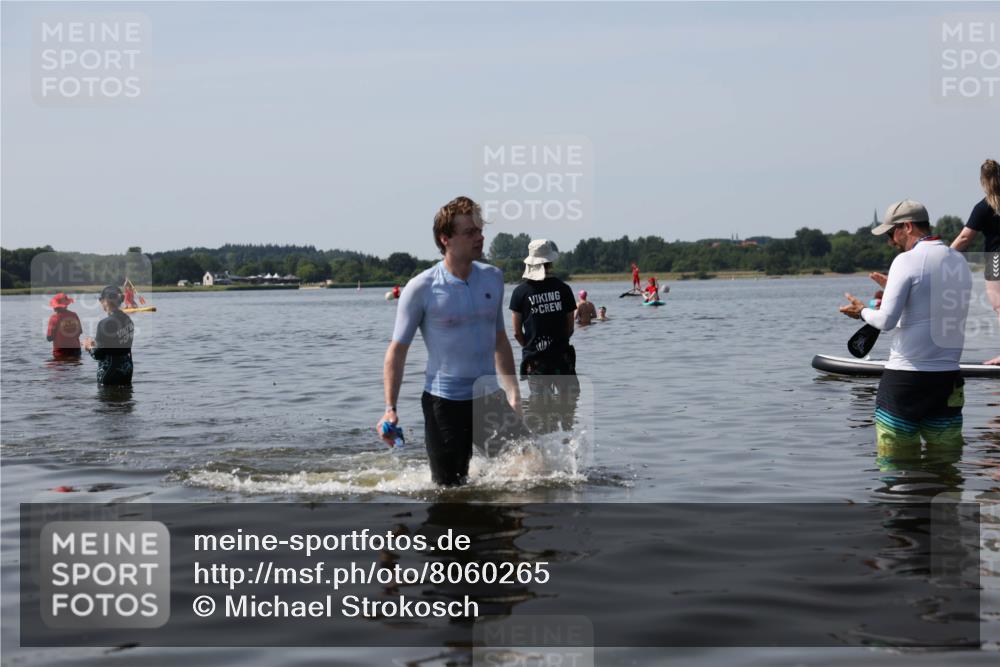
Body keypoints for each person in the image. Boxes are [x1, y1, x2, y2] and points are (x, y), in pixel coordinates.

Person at [377, 196, 524, 486]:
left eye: (480, 231)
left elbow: (499, 339)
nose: (479, 238)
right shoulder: (422, 287)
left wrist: (514, 394)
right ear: (446, 239)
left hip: (489, 398)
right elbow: (397, 351)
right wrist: (390, 407)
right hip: (444, 403)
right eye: (470, 232)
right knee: (450, 490)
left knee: (528, 470)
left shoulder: (493, 278)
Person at [839, 200, 972, 463]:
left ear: (907, 227)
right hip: (948, 381)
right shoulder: (960, 262)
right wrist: (895, 289)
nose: (891, 242)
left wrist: (862, 311)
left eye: (891, 233)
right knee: (946, 466)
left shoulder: (906, 261)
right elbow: (931, 311)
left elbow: (887, 321)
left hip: (906, 382)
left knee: (895, 467)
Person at [509, 239, 580, 435]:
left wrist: (531, 346)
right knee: (568, 412)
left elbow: (516, 332)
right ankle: (569, 452)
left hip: (536, 362)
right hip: (562, 359)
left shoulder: (519, 292)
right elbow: (570, 328)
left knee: (541, 414)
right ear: (550, 263)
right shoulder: (564, 289)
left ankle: (544, 459)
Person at [951, 159, 1000, 365]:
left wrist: (942, 255)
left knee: (999, 305)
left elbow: (964, 238)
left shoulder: (984, 206)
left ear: (983, 181)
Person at [83, 285, 135, 385]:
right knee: (126, 398)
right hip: (127, 369)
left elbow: (98, 355)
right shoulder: (128, 320)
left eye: (100, 299)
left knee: (107, 399)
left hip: (110, 372)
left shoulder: (104, 323)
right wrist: (97, 343)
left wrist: (89, 346)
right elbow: (120, 345)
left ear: (105, 300)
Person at [46, 293, 82, 359]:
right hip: (76, 350)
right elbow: (80, 332)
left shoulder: (54, 318)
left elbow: (49, 338)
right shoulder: (74, 315)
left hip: (61, 353)